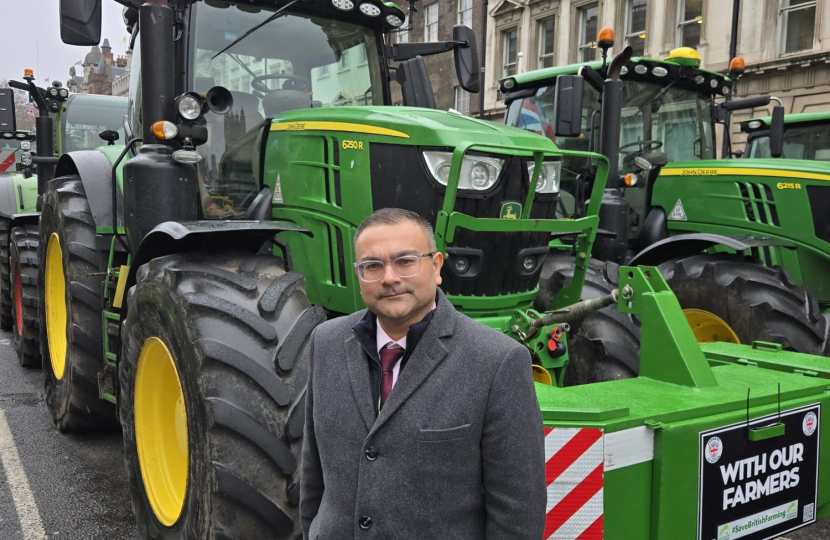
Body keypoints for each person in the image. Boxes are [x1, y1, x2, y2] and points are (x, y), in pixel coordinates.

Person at [300, 208, 546, 540]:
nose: (389, 278)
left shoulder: (497, 361)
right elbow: (314, 474)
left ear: (436, 266)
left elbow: (518, 515)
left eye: (405, 261)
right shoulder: (326, 341)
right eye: (372, 266)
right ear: (358, 274)